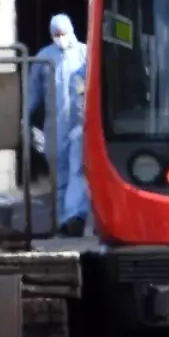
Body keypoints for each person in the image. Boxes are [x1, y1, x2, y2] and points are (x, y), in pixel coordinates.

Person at [27, 14, 88, 231]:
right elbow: (33, 92)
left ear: (71, 31)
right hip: (54, 126)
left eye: (63, 33)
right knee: (59, 174)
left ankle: (75, 216)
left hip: (79, 124)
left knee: (77, 170)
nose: (60, 38)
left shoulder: (84, 53)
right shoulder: (44, 57)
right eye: (56, 34)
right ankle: (63, 220)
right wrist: (24, 116)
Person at [60, 61, 90, 236]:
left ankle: (76, 217)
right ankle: (74, 218)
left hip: (95, 128)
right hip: (84, 129)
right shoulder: (80, 74)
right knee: (77, 174)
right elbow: (79, 106)